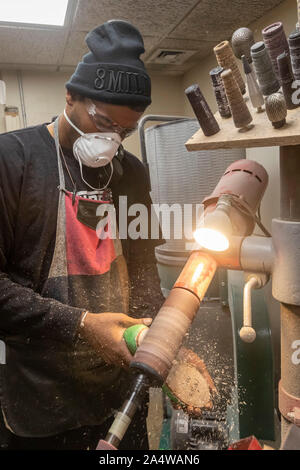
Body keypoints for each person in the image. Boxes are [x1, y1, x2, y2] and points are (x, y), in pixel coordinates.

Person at [0, 20, 164, 450]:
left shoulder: (131, 173)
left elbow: (145, 271)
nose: (111, 141)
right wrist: (83, 324)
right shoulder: (11, 161)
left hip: (120, 394)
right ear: (70, 96)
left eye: (124, 132)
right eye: (103, 122)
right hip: (42, 403)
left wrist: (161, 342)